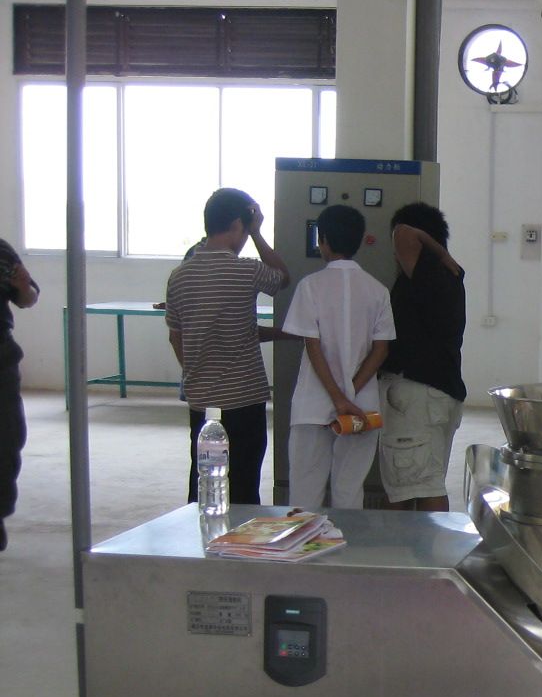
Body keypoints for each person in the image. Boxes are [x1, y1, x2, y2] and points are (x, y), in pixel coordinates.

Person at [164, 188, 290, 505]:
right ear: (237, 225)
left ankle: (201, 533)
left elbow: (176, 336)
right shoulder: (247, 270)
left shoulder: (179, 276)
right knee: (244, 486)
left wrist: (195, 376)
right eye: (246, 231)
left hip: (202, 405)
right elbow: (283, 278)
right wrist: (259, 233)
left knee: (206, 482)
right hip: (244, 402)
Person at [280, 205, 395, 510]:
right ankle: (347, 539)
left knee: (305, 492)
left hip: (314, 404)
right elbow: (381, 350)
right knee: (349, 491)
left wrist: (336, 397)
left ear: (324, 240)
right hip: (362, 407)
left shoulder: (310, 286)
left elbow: (312, 345)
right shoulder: (378, 291)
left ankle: (307, 540)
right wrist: (349, 393)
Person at [378, 201, 466, 512]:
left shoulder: (430, 269)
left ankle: (406, 544)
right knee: (423, 480)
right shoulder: (448, 275)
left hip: (416, 395)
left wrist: (436, 249)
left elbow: (403, 232)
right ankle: (424, 543)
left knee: (412, 487)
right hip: (437, 393)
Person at [0, 237, 40, 552]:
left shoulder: (2, 252)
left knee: (8, 437)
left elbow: (28, 298)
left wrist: (23, 286)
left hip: (1, 356)